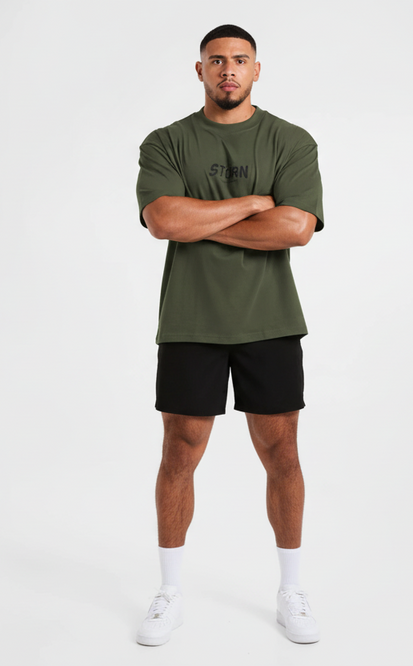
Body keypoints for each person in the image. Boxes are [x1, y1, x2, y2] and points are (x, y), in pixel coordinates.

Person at [135, 24, 324, 646]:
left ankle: (291, 590)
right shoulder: (167, 141)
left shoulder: (290, 140)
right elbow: (163, 218)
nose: (228, 70)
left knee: (282, 452)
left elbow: (296, 227)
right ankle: (169, 591)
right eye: (216, 60)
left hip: (270, 320)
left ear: (256, 70)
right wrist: (249, 204)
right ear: (200, 70)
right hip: (190, 320)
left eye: (240, 60)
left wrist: (199, 220)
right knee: (180, 451)